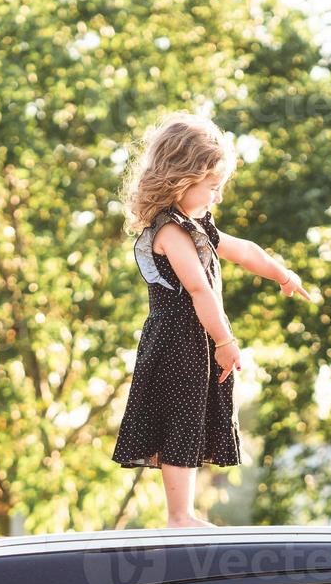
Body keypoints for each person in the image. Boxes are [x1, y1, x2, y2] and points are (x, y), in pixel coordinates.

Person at [112, 113, 314, 527]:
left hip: (197, 338)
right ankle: (179, 514)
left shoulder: (196, 226)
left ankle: (184, 512)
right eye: (212, 188)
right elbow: (199, 288)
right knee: (179, 420)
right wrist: (225, 341)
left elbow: (245, 250)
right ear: (181, 179)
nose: (217, 198)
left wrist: (283, 274)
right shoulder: (169, 232)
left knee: (194, 417)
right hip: (178, 339)